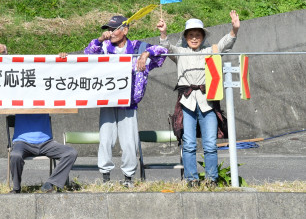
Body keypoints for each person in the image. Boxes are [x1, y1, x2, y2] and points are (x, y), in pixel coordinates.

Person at [82, 15, 167, 187]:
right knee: (106, 139)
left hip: (128, 103)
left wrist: (146, 54)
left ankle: (128, 178)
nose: (110, 33)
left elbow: (163, 53)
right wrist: (99, 40)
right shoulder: (104, 47)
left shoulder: (138, 47)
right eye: (109, 29)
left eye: (114, 29)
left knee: (129, 142)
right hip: (107, 101)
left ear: (125, 30)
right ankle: (105, 178)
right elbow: (88, 54)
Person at [157, 10, 240, 187]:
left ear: (202, 37)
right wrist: (163, 33)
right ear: (186, 37)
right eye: (191, 35)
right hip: (186, 103)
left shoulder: (212, 50)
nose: (194, 38)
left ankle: (212, 179)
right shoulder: (179, 52)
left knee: (210, 144)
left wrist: (234, 29)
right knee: (188, 144)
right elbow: (166, 48)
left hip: (207, 103)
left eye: (198, 35)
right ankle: (191, 179)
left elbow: (226, 43)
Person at [9, 49, 79, 194]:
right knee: (15, 155)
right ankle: (16, 188)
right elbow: (9, 72)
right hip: (23, 143)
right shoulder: (18, 94)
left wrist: (62, 61)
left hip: (46, 143)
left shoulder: (48, 94)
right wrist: (5, 54)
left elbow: (62, 80)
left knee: (71, 153)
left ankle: (51, 183)